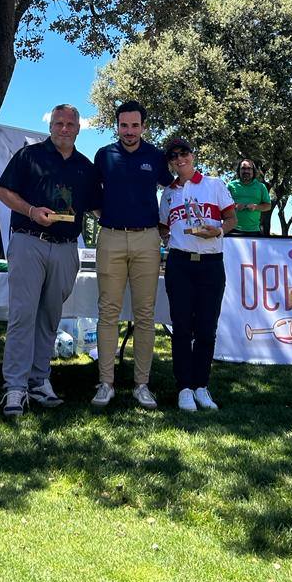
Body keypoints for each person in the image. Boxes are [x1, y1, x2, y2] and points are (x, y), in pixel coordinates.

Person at [0, 104, 99, 416]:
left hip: (67, 247)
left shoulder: (85, 166)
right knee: (23, 315)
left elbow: (97, 208)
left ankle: (39, 381)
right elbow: (2, 191)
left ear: (78, 128)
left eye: (70, 124)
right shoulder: (30, 155)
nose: (64, 128)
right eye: (58, 123)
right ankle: (15, 387)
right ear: (51, 125)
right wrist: (30, 211)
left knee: (50, 317)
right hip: (30, 242)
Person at [91, 101, 172, 410]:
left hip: (147, 240)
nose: (129, 131)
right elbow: (92, 194)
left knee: (145, 314)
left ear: (143, 126)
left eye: (134, 125)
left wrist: (166, 226)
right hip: (110, 237)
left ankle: (142, 385)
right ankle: (106, 383)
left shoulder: (155, 157)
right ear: (117, 126)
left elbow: (173, 189)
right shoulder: (104, 155)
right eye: (124, 125)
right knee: (108, 312)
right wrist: (105, 217)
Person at [159, 137, 237, 412]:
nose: (180, 159)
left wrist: (218, 231)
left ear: (193, 155)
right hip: (180, 264)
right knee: (181, 327)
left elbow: (231, 219)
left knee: (206, 328)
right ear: (170, 162)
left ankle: (201, 385)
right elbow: (163, 228)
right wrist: (165, 236)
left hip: (211, 263)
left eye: (184, 153)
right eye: (174, 156)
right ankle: (183, 388)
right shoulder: (168, 193)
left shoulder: (214, 185)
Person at [227, 159, 271, 234]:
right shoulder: (230, 185)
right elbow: (223, 205)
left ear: (253, 171)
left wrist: (256, 207)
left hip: (254, 231)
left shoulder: (261, 186)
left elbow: (268, 206)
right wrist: (235, 206)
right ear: (239, 170)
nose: (246, 171)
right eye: (243, 168)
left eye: (249, 168)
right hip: (232, 229)